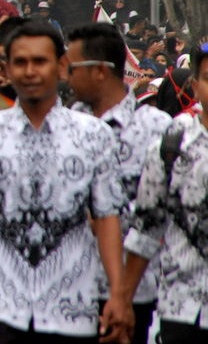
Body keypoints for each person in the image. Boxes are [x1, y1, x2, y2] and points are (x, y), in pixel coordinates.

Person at [0, 21, 131, 344]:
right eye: (20, 62)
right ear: (6, 68)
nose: (30, 71)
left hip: (71, 304)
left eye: (40, 61)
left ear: (60, 66)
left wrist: (117, 293)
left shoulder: (94, 135)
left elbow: (107, 216)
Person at [65, 23, 172, 344]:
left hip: (134, 291)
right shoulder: (67, 123)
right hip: (68, 291)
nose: (64, 75)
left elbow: (161, 214)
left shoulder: (157, 129)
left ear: (99, 71)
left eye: (71, 67)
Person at [122, 44, 208, 343]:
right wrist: (123, 301)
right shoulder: (171, 144)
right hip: (180, 309)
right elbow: (146, 227)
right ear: (195, 87)